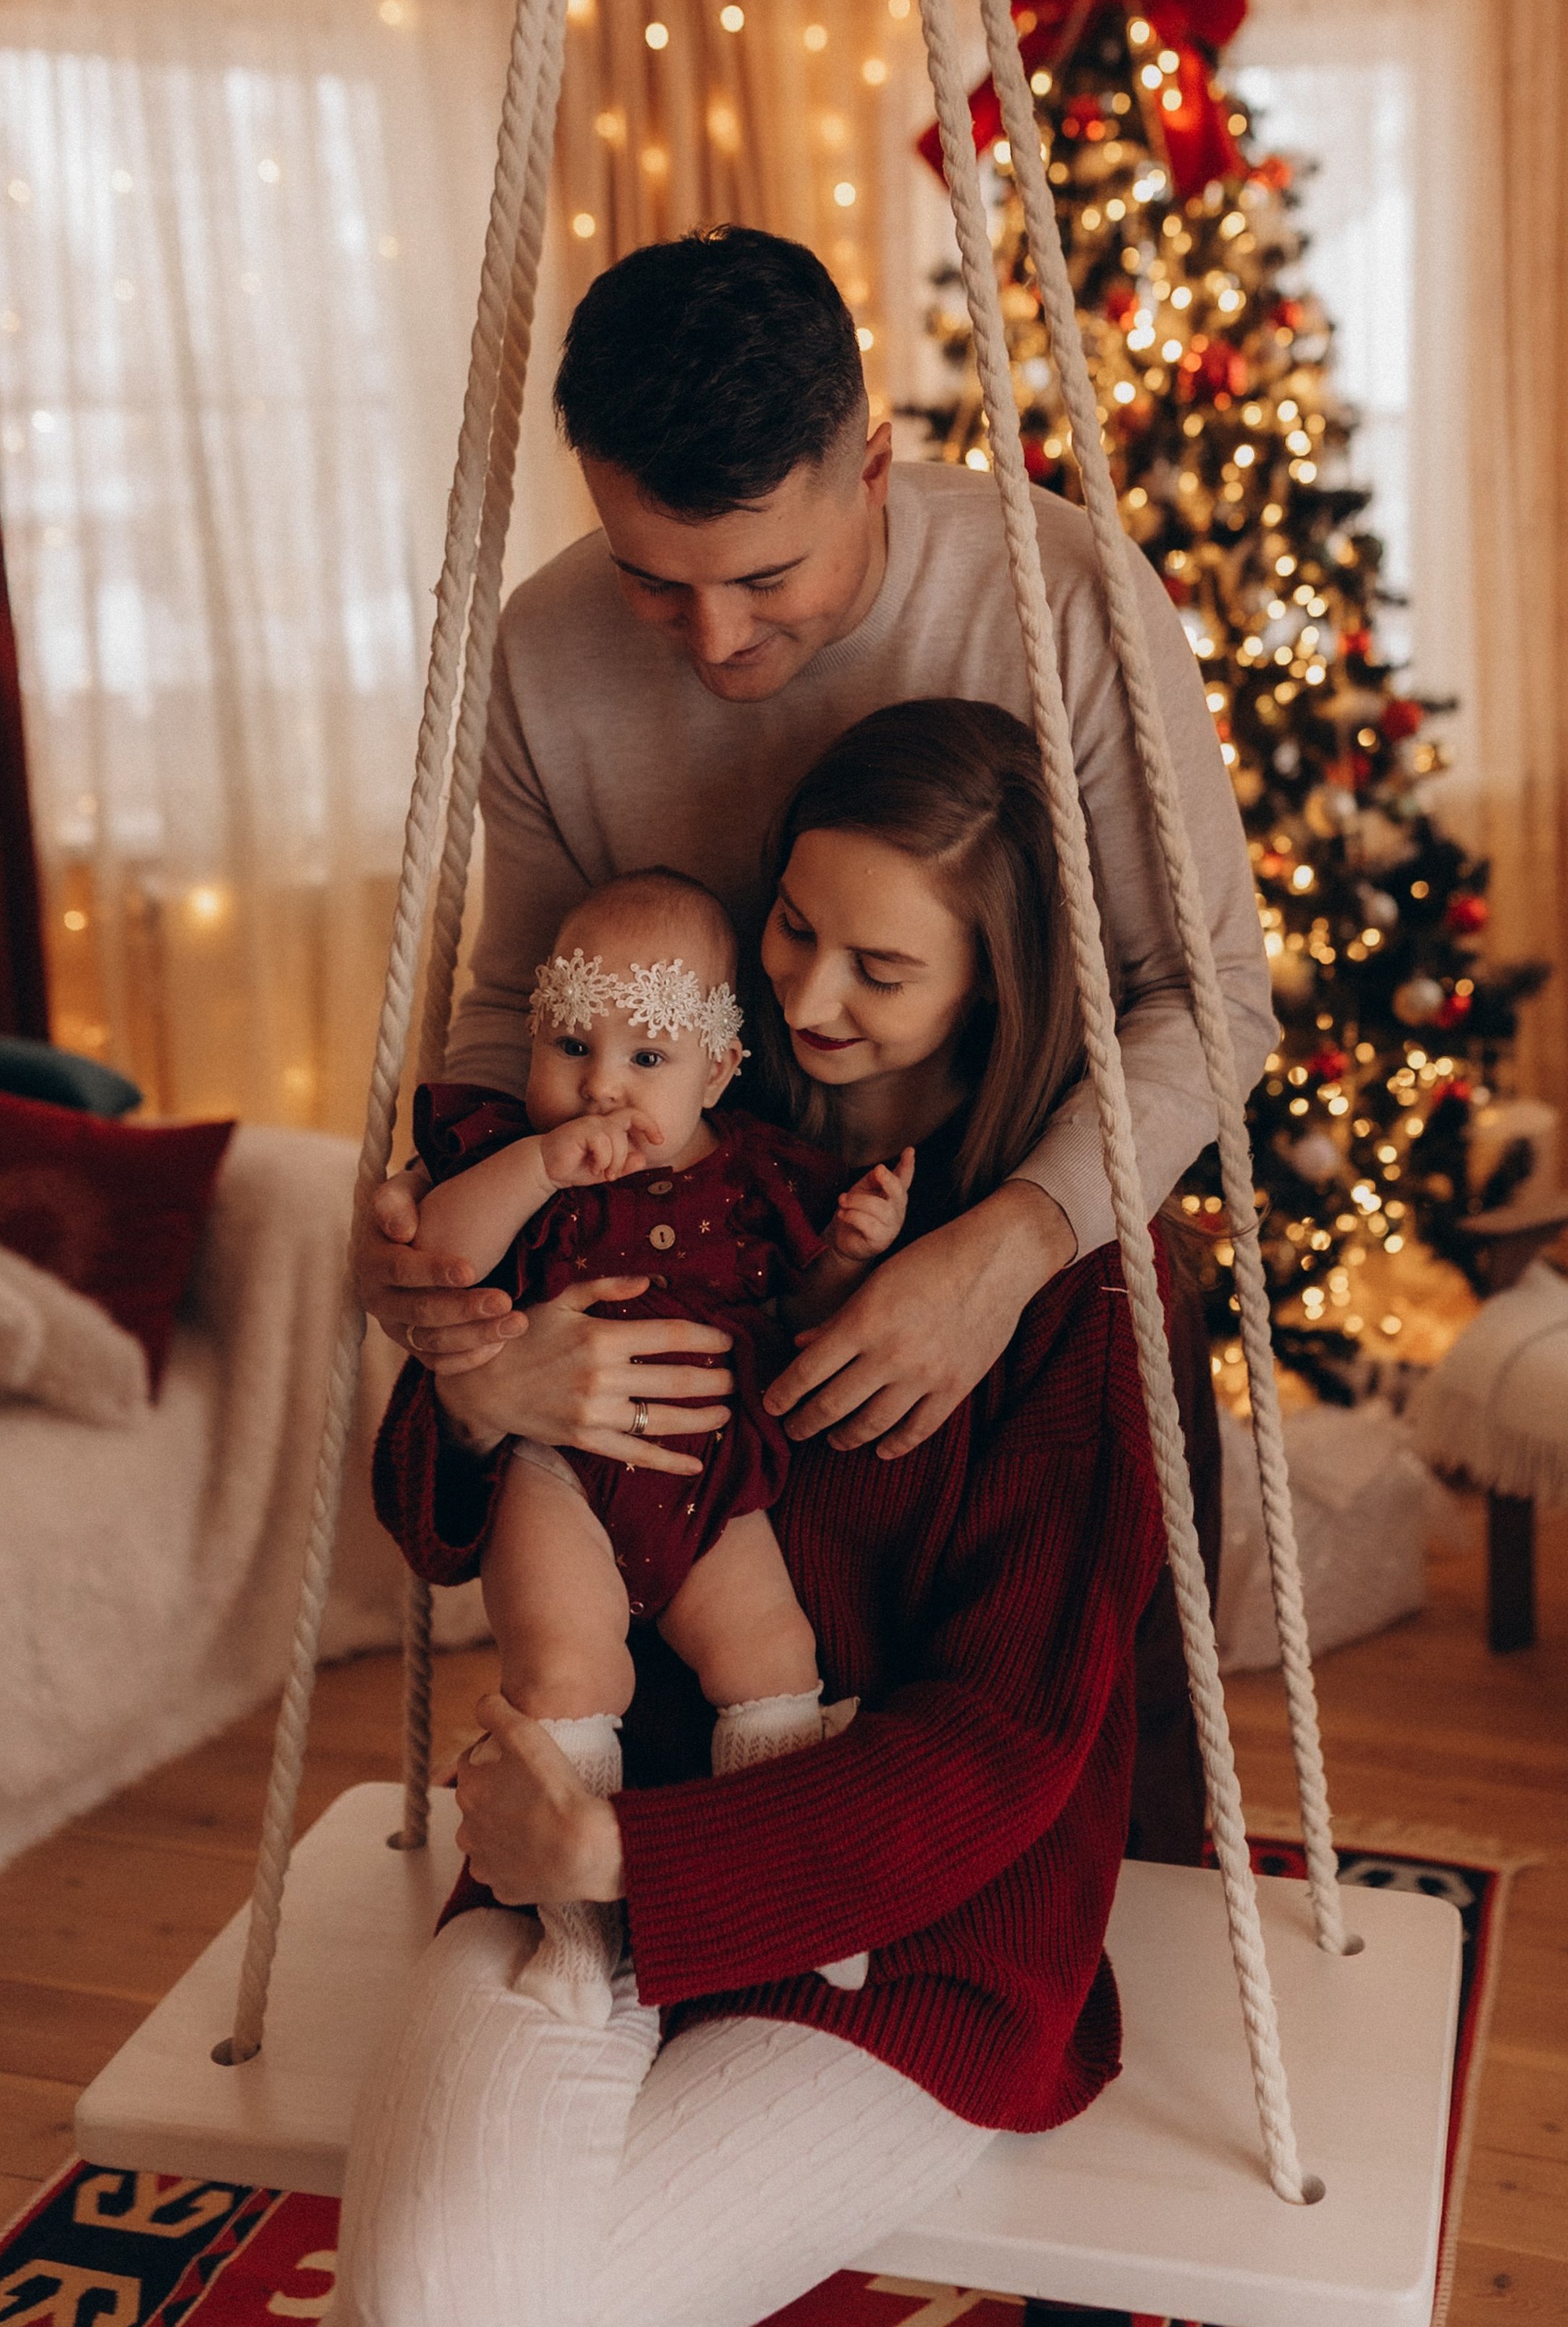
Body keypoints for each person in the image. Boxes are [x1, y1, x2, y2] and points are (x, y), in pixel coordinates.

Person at [355, 223, 1274, 1853]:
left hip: (1018, 1262)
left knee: (1046, 1802)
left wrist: (1003, 1254)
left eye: (765, 579)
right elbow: (516, 1000)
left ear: (873, 462)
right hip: (686, 1307)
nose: (713, 645)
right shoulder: (538, 653)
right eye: (654, 579)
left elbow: (1204, 1001)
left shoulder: (1062, 601)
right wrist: (471, 1263)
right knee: (660, 1809)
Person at [340, 702, 1170, 2327]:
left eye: (881, 968)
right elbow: (429, 1521)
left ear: (988, 983)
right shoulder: (641, 1148)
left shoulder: (1073, 1298)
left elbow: (1007, 1739)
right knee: (434, 2295)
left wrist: (629, 1857)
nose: (802, 997)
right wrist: (478, 1393)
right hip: (568, 1830)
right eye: (792, 930)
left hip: (910, 1936)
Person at [404, 865, 910, 2022]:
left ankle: (789, 1907)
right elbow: (435, 1256)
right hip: (555, 1476)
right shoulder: (505, 1158)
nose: (600, 1089)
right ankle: (575, 1934)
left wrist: (850, 1255)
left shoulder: (751, 1175)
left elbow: (795, 1313)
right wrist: (530, 1169)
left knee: (773, 1656)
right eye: (571, 1045)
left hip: (707, 1479)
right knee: (566, 1675)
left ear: (719, 1072)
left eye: (647, 1059)